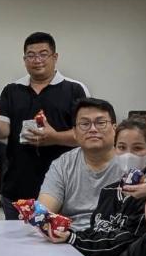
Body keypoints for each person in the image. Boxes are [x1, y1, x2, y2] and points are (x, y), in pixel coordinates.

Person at [0, 32, 88, 217]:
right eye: (31, 55)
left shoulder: (75, 89)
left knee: (56, 241)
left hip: (63, 188)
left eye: (43, 54)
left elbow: (85, 136)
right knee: (14, 243)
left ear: (55, 57)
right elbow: (3, 132)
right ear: (24, 59)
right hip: (17, 185)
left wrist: (54, 138)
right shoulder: (12, 89)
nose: (37, 60)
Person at [47, 116, 146, 256]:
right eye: (122, 147)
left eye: (137, 148)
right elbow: (95, 232)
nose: (128, 155)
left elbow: (125, 243)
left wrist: (73, 238)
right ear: (115, 148)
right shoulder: (109, 191)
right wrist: (64, 232)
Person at [36, 98, 123, 231]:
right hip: (70, 239)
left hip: (116, 239)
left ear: (114, 129)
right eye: (84, 124)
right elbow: (43, 211)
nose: (93, 129)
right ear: (75, 133)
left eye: (100, 123)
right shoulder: (63, 165)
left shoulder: (129, 163)